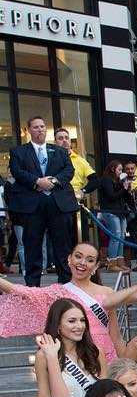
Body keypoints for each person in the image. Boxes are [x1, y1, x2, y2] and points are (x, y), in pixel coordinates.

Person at [8, 116, 77, 286]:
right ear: (28, 130)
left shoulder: (60, 151)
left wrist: (52, 181)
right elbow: (17, 171)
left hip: (57, 205)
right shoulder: (18, 152)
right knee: (32, 247)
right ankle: (32, 288)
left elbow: (69, 171)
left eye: (43, 126)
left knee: (63, 248)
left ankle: (66, 286)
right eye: (36, 127)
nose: (40, 129)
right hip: (33, 206)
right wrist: (37, 181)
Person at [33, 300, 104, 397]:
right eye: (72, 321)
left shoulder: (96, 353)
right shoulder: (43, 356)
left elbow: (106, 394)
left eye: (82, 320)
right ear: (57, 325)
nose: (79, 326)